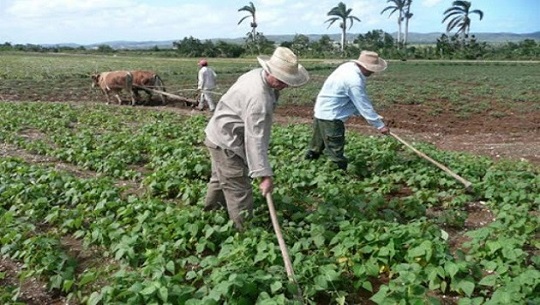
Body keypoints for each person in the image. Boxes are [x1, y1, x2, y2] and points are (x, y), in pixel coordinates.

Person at [203, 47, 309, 230]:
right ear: (270, 71)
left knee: (221, 178)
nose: (285, 85)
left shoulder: (255, 74)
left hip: (217, 132)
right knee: (239, 189)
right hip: (226, 140)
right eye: (282, 80)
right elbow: (255, 139)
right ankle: (244, 233)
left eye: (287, 81)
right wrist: (264, 175)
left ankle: (209, 215)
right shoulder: (259, 99)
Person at [305, 50, 390, 171]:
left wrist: (373, 117)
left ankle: (308, 167)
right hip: (332, 117)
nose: (373, 72)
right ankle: (339, 176)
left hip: (322, 111)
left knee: (316, 146)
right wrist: (380, 125)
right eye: (372, 69)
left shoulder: (348, 67)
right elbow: (363, 104)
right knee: (335, 150)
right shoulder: (354, 80)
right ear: (364, 66)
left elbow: (350, 99)